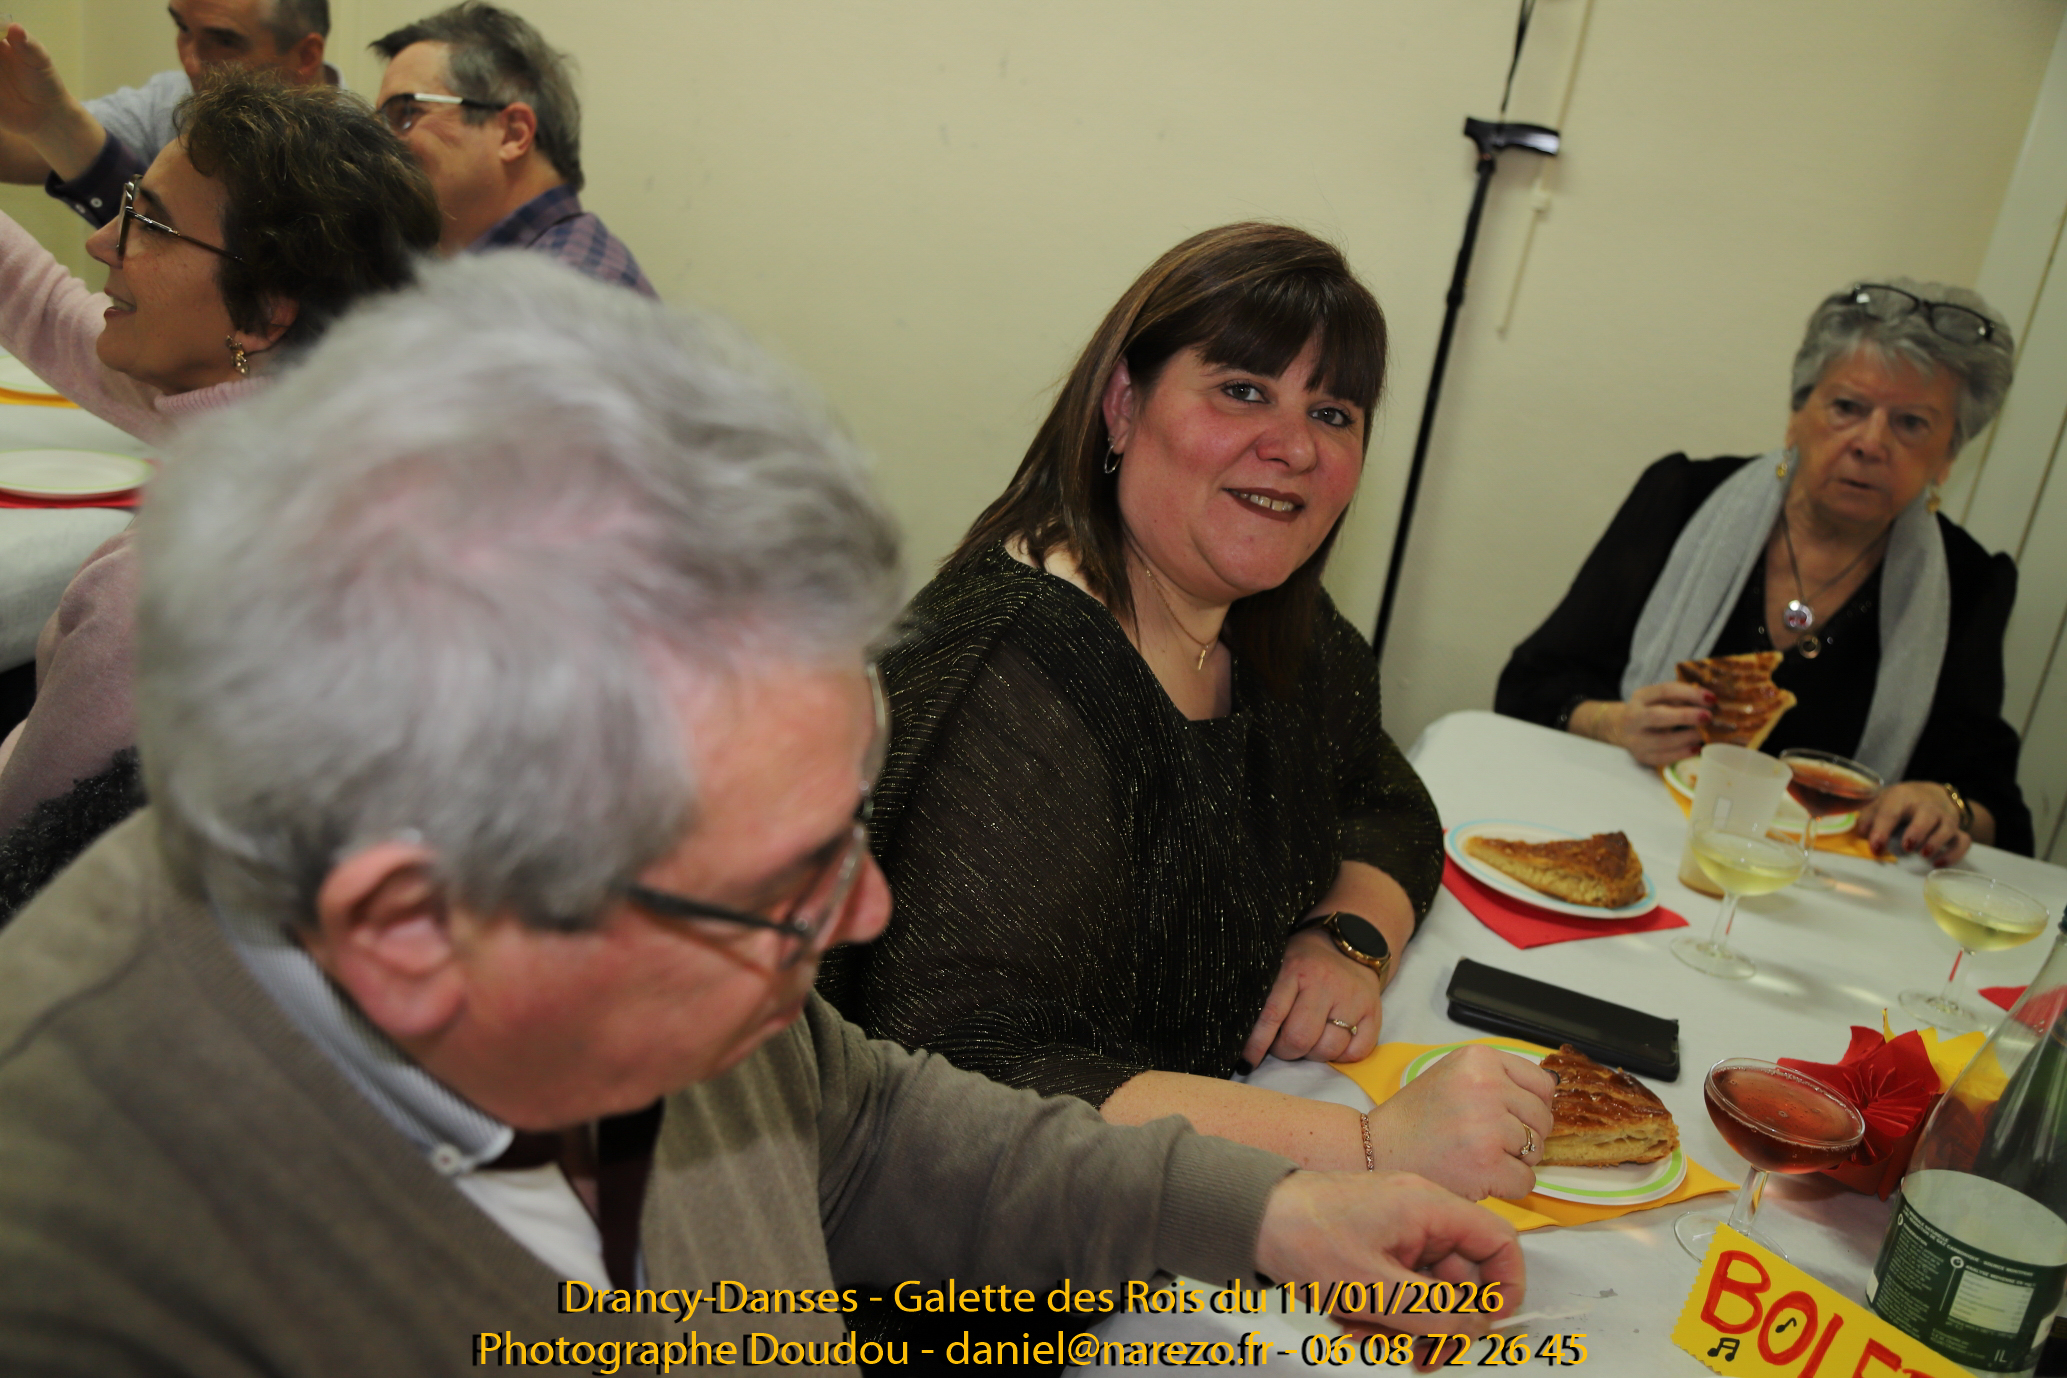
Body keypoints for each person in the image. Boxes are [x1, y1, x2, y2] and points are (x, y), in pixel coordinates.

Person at [0, 255, 1526, 1372]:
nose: (866, 910)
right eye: (782, 873)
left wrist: (1269, 1213)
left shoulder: (607, 916)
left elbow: (857, 1123)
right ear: (408, 925)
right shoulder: (103, 1274)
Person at [822, 224, 1555, 1198]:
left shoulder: (1268, 621)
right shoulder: (1011, 677)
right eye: (1242, 391)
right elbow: (971, 1080)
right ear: (1123, 407)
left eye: (1332, 413)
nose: (1293, 446)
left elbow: (1383, 801)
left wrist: (1344, 941)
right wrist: (1366, 1146)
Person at [0, 72, 439, 859]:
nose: (102, 241)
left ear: (266, 313)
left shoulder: (160, 595)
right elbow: (49, 312)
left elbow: (25, 848)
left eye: (151, 225)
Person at [1496, 279, 2033, 863]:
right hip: (1620, 845)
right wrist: (1614, 723)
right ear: (1796, 415)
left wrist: (1946, 803)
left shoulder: (1967, 582)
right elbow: (1528, 686)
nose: (1870, 443)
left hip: (1816, 884)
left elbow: (1998, 810)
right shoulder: (1681, 499)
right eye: (1847, 408)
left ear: (1949, 457)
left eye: (1911, 423)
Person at [371, 2, 655, 296]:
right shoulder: (500, 280)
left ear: (513, 134)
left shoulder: (565, 295)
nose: (380, 140)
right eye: (378, 120)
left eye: (405, 112)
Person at [0, 1, 340, 226]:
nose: (191, 64)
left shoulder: (358, 167)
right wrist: (42, 118)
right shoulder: (172, 100)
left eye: (223, 41)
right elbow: (20, 147)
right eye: (183, 28)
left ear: (306, 56)